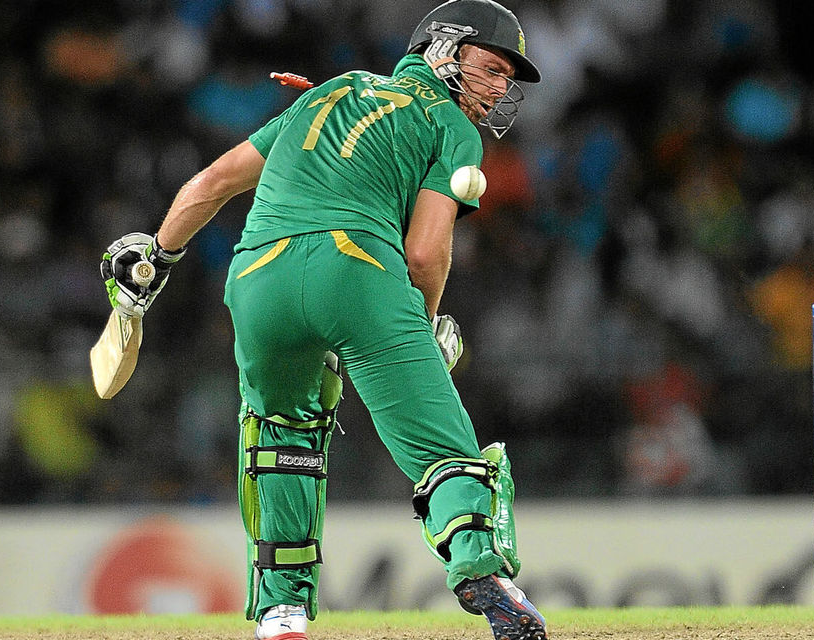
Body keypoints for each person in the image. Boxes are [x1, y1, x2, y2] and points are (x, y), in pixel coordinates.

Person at [99, 1, 547, 640]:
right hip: (357, 268)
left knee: (280, 439)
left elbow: (214, 181)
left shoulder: (327, 93)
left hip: (256, 278)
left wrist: (158, 255)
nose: (501, 87)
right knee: (444, 450)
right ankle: (482, 572)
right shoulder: (453, 126)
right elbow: (423, 252)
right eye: (493, 67)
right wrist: (421, 325)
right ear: (445, 50)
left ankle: (281, 613)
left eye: (508, 77)